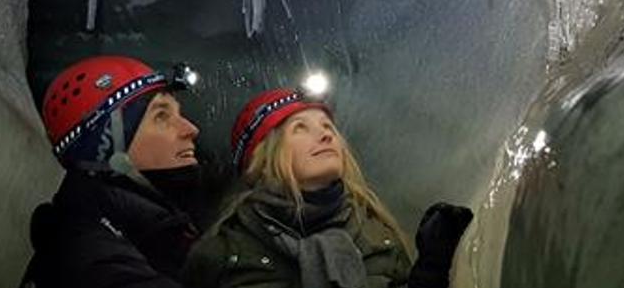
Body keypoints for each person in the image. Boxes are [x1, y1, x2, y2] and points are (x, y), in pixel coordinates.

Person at [183, 88, 473, 288]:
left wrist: (431, 271)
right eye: (300, 128)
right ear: (263, 158)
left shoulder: (375, 232)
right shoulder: (220, 254)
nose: (323, 135)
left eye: (327, 127)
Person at [20, 55, 212, 288]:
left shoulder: (143, 228)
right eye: (161, 116)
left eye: (179, 115)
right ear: (107, 144)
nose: (191, 129)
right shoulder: (86, 253)